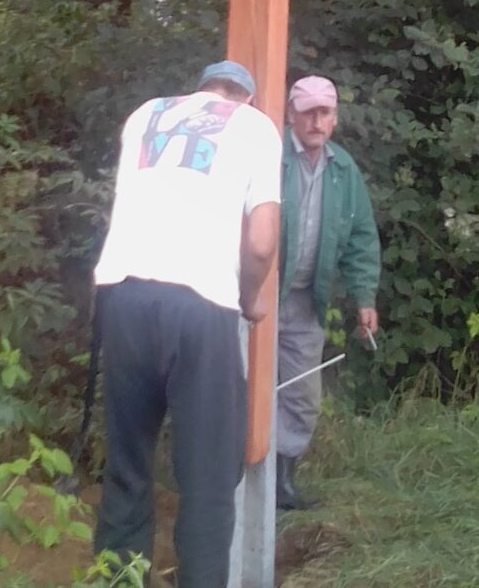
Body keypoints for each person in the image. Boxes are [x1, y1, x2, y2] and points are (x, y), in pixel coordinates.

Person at [92, 60, 282, 588]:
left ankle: (118, 580)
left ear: (200, 90)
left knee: (127, 467)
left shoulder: (145, 115)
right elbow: (263, 241)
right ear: (243, 97)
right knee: (208, 481)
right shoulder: (254, 126)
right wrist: (250, 299)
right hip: (201, 304)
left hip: (124, 295)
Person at [275, 75, 381, 511]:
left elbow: (360, 237)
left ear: (335, 119)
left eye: (325, 113)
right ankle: (236, 484)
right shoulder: (269, 156)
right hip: (256, 298)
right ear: (290, 115)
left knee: (301, 397)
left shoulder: (343, 169)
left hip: (305, 302)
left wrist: (364, 298)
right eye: (308, 112)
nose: (316, 121)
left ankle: (281, 484)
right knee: (242, 388)